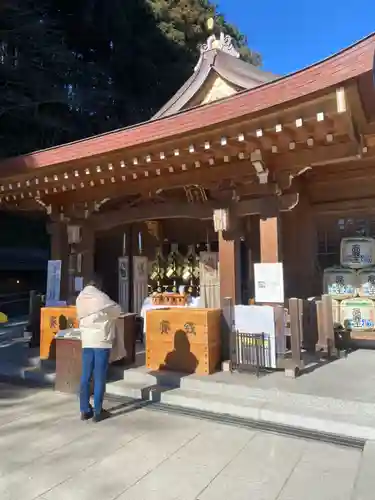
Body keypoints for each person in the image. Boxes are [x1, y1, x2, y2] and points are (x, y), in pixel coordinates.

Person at [76, 277, 121, 422]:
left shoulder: (80, 298)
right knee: (99, 377)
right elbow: (117, 311)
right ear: (98, 285)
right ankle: (98, 411)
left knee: (85, 376)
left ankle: (84, 410)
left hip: (87, 340)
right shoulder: (101, 297)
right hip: (101, 341)